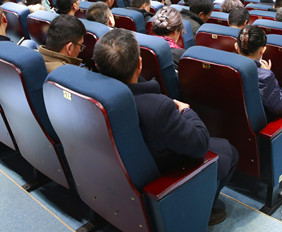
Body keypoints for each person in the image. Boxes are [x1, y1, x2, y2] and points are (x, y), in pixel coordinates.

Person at [93, 29, 238, 225]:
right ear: (139, 64)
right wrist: (186, 110)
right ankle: (199, 212)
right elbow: (200, 144)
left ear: (97, 65)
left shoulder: (95, 95)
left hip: (118, 171)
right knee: (228, 151)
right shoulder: (157, 108)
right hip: (161, 173)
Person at [235, 25, 282, 142]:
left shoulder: (227, 67)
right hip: (259, 127)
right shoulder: (265, 76)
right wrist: (267, 73)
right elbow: (281, 108)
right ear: (263, 50)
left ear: (236, 47)